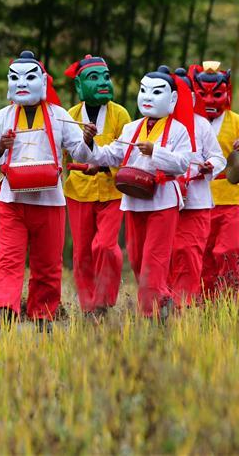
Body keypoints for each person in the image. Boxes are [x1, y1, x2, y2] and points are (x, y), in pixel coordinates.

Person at [0, 51, 97, 325]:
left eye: (30, 77)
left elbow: (80, 154)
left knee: (47, 262)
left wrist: (88, 140)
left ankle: (43, 312)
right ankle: (3, 308)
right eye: (15, 78)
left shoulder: (59, 115)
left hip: (49, 199)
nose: (22, 83)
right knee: (8, 256)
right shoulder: (3, 116)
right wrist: (0, 147)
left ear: (43, 82)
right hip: (13, 198)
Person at [90, 66, 193, 319]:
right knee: (136, 260)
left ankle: (152, 315)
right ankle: (164, 300)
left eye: (156, 92)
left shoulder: (179, 129)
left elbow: (182, 164)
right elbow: (112, 153)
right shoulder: (131, 128)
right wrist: (89, 144)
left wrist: (154, 152)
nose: (147, 97)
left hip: (162, 202)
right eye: (144, 91)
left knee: (153, 261)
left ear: (172, 99)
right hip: (134, 200)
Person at [187, 61, 239, 296]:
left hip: (229, 196)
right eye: (203, 94)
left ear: (227, 93)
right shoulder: (189, 120)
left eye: (217, 94)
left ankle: (231, 299)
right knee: (203, 253)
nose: (210, 101)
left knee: (228, 250)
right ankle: (204, 303)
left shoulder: (235, 121)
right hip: (198, 197)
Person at [62, 55, 131, 316]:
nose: (103, 82)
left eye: (106, 76)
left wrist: (103, 165)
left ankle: (103, 298)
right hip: (79, 191)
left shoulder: (120, 114)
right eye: (94, 77)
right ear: (79, 85)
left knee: (104, 245)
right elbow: (65, 153)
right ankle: (89, 307)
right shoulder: (70, 115)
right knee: (82, 253)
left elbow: (126, 151)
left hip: (112, 189)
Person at [168, 67, 227, 307]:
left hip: (197, 202)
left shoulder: (201, 125)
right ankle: (161, 303)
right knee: (166, 254)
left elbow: (219, 158)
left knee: (189, 253)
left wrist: (209, 166)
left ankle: (183, 305)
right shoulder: (157, 124)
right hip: (163, 200)